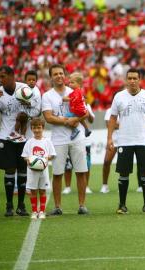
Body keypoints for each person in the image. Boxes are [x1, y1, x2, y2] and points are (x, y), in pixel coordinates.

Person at [107, 68, 145, 214]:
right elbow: (112, 118)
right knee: (123, 173)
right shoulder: (119, 96)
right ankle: (122, 205)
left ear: (139, 79)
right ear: (126, 80)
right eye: (129, 78)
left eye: (134, 78)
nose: (132, 81)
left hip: (144, 140)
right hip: (124, 140)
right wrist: (109, 137)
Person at [42, 64, 89, 215]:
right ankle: (57, 207)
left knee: (81, 171)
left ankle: (82, 205)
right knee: (57, 173)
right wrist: (66, 121)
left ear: (65, 75)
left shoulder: (74, 91)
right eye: (55, 74)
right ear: (51, 77)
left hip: (77, 138)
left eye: (61, 73)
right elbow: (48, 117)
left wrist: (75, 119)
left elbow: (85, 112)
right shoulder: (47, 95)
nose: (59, 76)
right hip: (58, 139)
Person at [0, 65, 41, 217]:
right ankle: (9, 205)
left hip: (24, 137)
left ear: (12, 76)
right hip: (6, 136)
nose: (1, 80)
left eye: (3, 76)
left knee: (23, 170)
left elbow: (37, 110)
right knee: (10, 169)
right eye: (0, 77)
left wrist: (27, 115)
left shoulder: (25, 89)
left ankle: (21, 205)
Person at [21, 117, 56, 219]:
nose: (37, 130)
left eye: (39, 127)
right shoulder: (29, 142)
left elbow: (52, 154)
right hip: (32, 171)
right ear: (31, 129)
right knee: (33, 191)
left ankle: (42, 211)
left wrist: (46, 158)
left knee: (42, 190)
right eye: (34, 128)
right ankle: (34, 211)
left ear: (43, 128)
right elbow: (24, 156)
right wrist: (30, 160)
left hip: (43, 171)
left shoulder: (47, 141)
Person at [62, 72, 92, 140]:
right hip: (82, 111)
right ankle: (87, 129)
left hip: (77, 110)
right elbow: (70, 97)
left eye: (72, 83)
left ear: (79, 84)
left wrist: (68, 99)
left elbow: (74, 99)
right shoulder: (78, 91)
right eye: (69, 83)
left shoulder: (76, 92)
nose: (70, 84)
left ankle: (74, 129)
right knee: (81, 119)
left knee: (66, 118)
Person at [101, 106, 118, 194]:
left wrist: (115, 124)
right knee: (107, 161)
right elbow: (108, 124)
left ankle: (121, 185)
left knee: (123, 165)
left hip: (126, 141)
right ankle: (105, 185)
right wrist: (122, 125)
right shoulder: (110, 110)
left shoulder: (127, 108)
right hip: (113, 141)